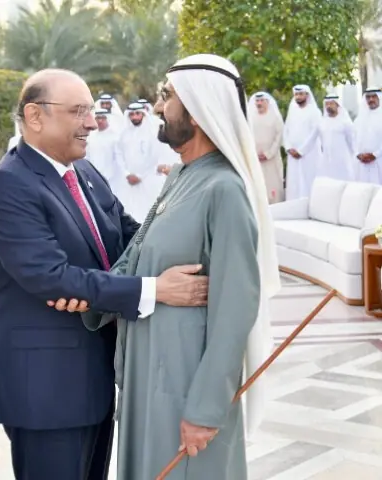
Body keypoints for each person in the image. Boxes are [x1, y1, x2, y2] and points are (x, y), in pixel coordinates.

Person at [0, 68, 209, 480]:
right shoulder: (8, 186)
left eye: (92, 111)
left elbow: (132, 237)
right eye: (79, 112)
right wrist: (156, 290)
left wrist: (194, 225)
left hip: (92, 380)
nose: (91, 123)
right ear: (35, 116)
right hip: (44, 389)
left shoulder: (83, 173)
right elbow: (50, 277)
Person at [64, 54, 280, 480]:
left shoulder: (224, 190)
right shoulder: (182, 176)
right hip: (149, 379)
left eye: (169, 96)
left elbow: (235, 311)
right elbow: (139, 251)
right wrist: (90, 297)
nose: (160, 107)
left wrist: (204, 408)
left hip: (184, 387)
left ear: (198, 110)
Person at [113, 103, 166, 222]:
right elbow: (119, 155)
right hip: (129, 181)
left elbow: (155, 158)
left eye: (137, 113)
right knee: (132, 212)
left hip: (149, 180)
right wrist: (127, 174)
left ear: (143, 114)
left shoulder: (152, 133)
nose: (134, 117)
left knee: (150, 211)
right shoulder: (124, 134)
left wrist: (141, 176)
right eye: (131, 114)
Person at [283, 85, 321, 199]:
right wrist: (289, 148)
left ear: (307, 95)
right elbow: (286, 130)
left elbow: (315, 133)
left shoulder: (314, 111)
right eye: (296, 94)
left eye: (300, 94)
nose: (298, 97)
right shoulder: (292, 110)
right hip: (293, 155)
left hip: (309, 155)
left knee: (308, 181)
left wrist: (301, 151)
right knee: (294, 182)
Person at [248, 92, 285, 203]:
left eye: (261, 101)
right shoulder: (251, 118)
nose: (259, 103)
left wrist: (268, 154)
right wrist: (254, 154)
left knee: (272, 185)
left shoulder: (275, 117)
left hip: (271, 159)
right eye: (257, 101)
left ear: (267, 102)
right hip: (256, 159)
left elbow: (278, 138)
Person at [316, 95, 355, 181]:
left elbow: (352, 142)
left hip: (343, 160)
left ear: (337, 105)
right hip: (327, 160)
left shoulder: (345, 122)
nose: (329, 106)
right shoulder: (322, 122)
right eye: (327, 104)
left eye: (331, 103)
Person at [354, 88, 382, 184]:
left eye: (374, 96)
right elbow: (353, 139)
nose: (371, 99)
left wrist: (375, 155)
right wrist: (358, 154)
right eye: (368, 97)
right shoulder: (359, 118)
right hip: (362, 164)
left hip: (379, 161)